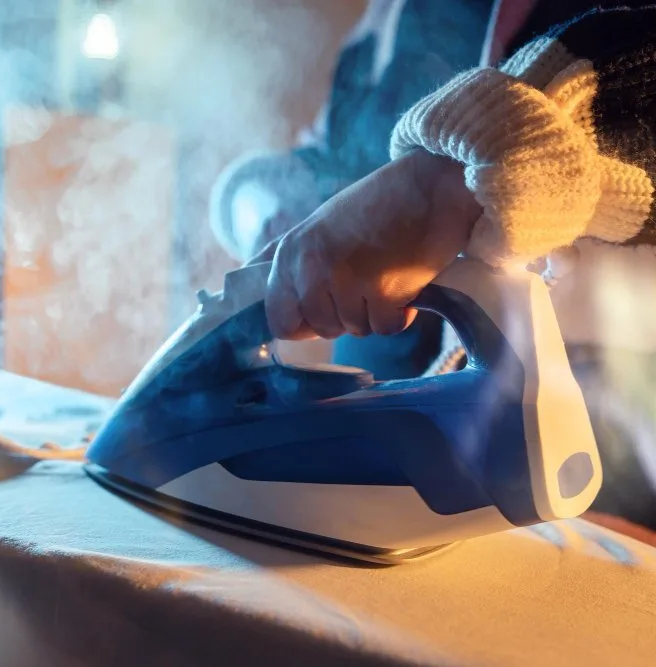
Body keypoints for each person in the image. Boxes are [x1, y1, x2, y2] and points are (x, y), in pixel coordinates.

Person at [210, 0, 656, 530]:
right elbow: (326, 160)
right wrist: (265, 211)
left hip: (603, 473)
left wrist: (439, 182)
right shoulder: (393, 19)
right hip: (387, 472)